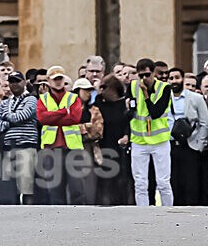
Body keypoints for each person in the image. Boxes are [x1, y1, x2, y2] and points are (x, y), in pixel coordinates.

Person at [36, 65, 83, 205]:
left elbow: (74, 118)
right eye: (55, 79)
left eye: (60, 79)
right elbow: (43, 119)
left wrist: (53, 117)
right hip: (51, 148)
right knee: (54, 189)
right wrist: (63, 112)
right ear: (49, 81)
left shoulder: (73, 98)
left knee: (77, 188)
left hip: (72, 147)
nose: (58, 82)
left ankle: (78, 217)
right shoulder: (42, 99)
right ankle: (59, 219)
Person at [129, 58, 173, 206]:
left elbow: (155, 112)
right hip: (139, 140)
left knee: (163, 182)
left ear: (154, 73)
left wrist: (146, 95)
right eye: (140, 75)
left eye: (147, 75)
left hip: (159, 141)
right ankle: (143, 213)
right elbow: (130, 112)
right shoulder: (133, 86)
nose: (144, 79)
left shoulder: (165, 88)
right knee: (140, 183)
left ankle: (168, 211)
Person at [0, 71, 39, 205]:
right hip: (8, 147)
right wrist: (10, 121)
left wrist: (7, 116)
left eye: (17, 81)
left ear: (24, 82)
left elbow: (21, 116)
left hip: (26, 146)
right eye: (11, 81)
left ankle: (28, 216)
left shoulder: (31, 99)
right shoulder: (5, 102)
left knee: (26, 187)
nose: (14, 84)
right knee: (8, 187)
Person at [166, 68, 208, 206]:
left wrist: (200, 145)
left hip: (191, 144)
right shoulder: (163, 98)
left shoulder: (196, 98)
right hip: (170, 145)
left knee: (191, 183)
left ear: (182, 79)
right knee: (174, 181)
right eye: (171, 78)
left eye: (177, 77)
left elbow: (204, 123)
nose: (174, 81)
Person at [95, 74, 131, 206]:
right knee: (105, 180)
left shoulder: (124, 105)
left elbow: (130, 122)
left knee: (122, 180)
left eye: (105, 87)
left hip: (120, 148)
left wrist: (127, 135)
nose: (102, 91)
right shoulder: (100, 105)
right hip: (104, 147)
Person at [71, 77, 103, 205]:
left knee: (89, 182)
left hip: (89, 149)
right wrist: (87, 127)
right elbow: (66, 128)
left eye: (90, 90)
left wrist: (81, 129)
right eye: (85, 90)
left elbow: (98, 131)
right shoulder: (69, 110)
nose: (88, 93)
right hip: (72, 148)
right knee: (74, 181)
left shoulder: (94, 110)